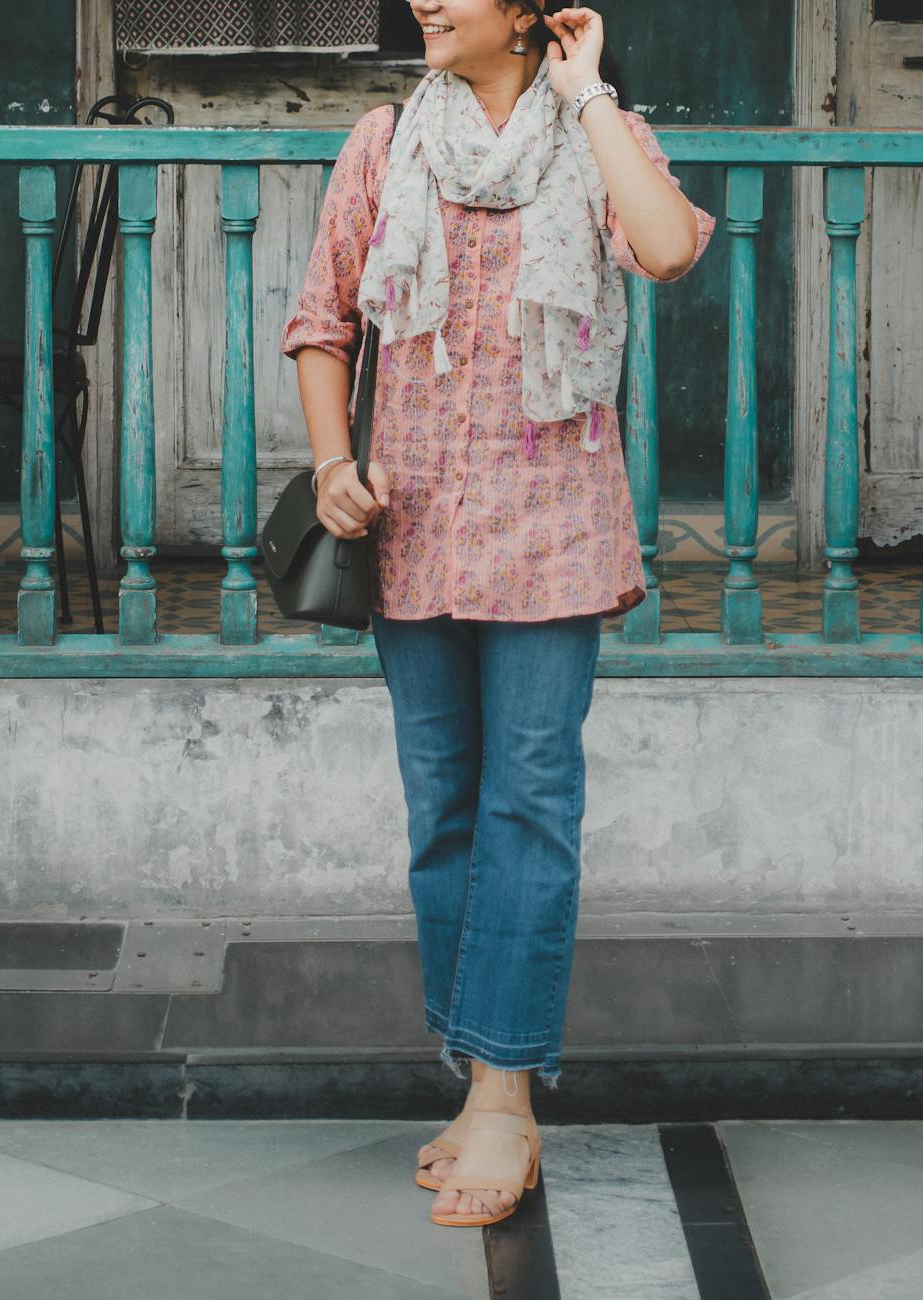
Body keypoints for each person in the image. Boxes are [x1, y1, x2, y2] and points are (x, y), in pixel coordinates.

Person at [281, 1, 714, 1228]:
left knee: (530, 796)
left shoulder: (596, 136)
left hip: (552, 529)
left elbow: (670, 248)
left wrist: (587, 96)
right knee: (443, 810)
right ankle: (484, 1071)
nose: (425, 0)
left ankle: (504, 1094)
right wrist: (330, 468)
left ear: (533, 11)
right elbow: (325, 324)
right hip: (407, 529)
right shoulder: (384, 141)